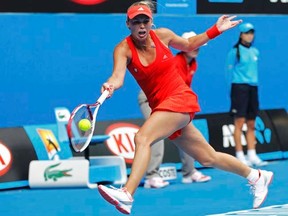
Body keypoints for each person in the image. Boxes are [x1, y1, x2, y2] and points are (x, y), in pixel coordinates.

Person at [97, 1, 274, 214]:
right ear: (128, 24)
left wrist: (215, 29)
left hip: (179, 98)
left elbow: (190, 44)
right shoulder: (123, 49)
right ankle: (256, 176)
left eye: (145, 21)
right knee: (208, 157)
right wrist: (110, 85)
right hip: (161, 106)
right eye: (136, 22)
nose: (141, 26)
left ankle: (127, 194)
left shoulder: (163, 35)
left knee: (142, 138)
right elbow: (117, 77)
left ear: (151, 22)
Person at [138, 31, 211, 189]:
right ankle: (151, 176)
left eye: (199, 46)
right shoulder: (177, 61)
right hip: (151, 99)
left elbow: (182, 88)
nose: (197, 49)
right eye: (194, 45)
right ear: (183, 46)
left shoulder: (192, 64)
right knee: (155, 136)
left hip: (173, 101)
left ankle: (189, 173)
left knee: (187, 136)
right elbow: (165, 87)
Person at [226, 23, 268, 167]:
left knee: (251, 123)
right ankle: (240, 155)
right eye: (246, 32)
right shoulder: (235, 52)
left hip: (253, 88)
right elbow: (228, 74)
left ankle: (252, 154)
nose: (249, 35)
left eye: (251, 32)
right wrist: (232, 93)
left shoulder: (256, 51)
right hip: (239, 88)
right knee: (239, 123)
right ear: (241, 35)